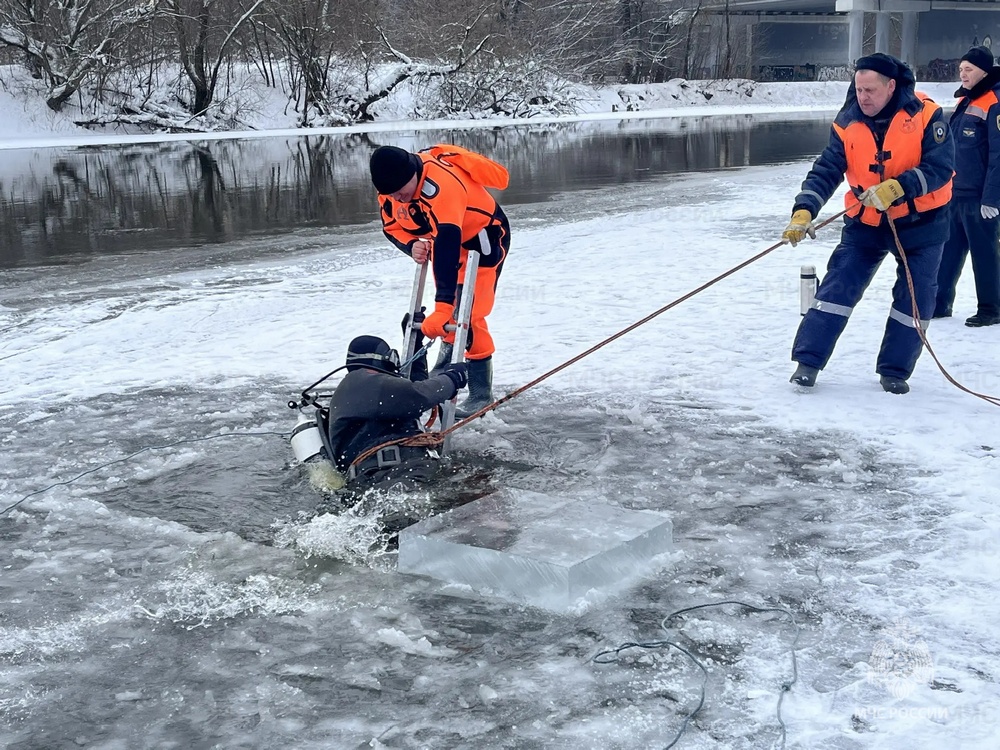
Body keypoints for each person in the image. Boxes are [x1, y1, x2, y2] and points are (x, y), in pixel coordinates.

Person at [781, 53, 955, 395]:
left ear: (891, 86)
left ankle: (895, 370)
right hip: (866, 221)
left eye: (870, 90)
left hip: (923, 223)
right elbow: (827, 168)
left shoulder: (926, 114)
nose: (863, 96)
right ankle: (808, 363)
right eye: (859, 89)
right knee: (837, 288)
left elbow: (940, 167)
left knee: (915, 299)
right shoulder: (848, 120)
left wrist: (898, 187)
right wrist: (805, 210)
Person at [369, 144, 511, 418]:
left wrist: (443, 306)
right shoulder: (391, 193)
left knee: (468, 314)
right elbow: (391, 227)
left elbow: (447, 245)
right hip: (443, 244)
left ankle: (481, 394)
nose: (399, 196)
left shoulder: (441, 186)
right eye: (391, 193)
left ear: (412, 172)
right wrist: (411, 245)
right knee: (448, 315)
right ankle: (446, 367)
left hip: (483, 240)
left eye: (402, 189)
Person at [325, 334, 468, 486]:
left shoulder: (358, 389)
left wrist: (416, 345)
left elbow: (410, 389)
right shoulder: (364, 381)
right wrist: (452, 378)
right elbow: (418, 395)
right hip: (393, 475)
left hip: (386, 474)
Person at [934, 45, 1000, 327]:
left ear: (984, 71)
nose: (962, 73)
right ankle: (938, 304)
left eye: (968, 69)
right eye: (961, 69)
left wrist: (992, 198)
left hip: (980, 197)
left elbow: (998, 154)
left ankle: (991, 308)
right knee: (948, 251)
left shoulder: (994, 101)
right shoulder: (966, 101)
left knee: (984, 254)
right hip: (955, 192)